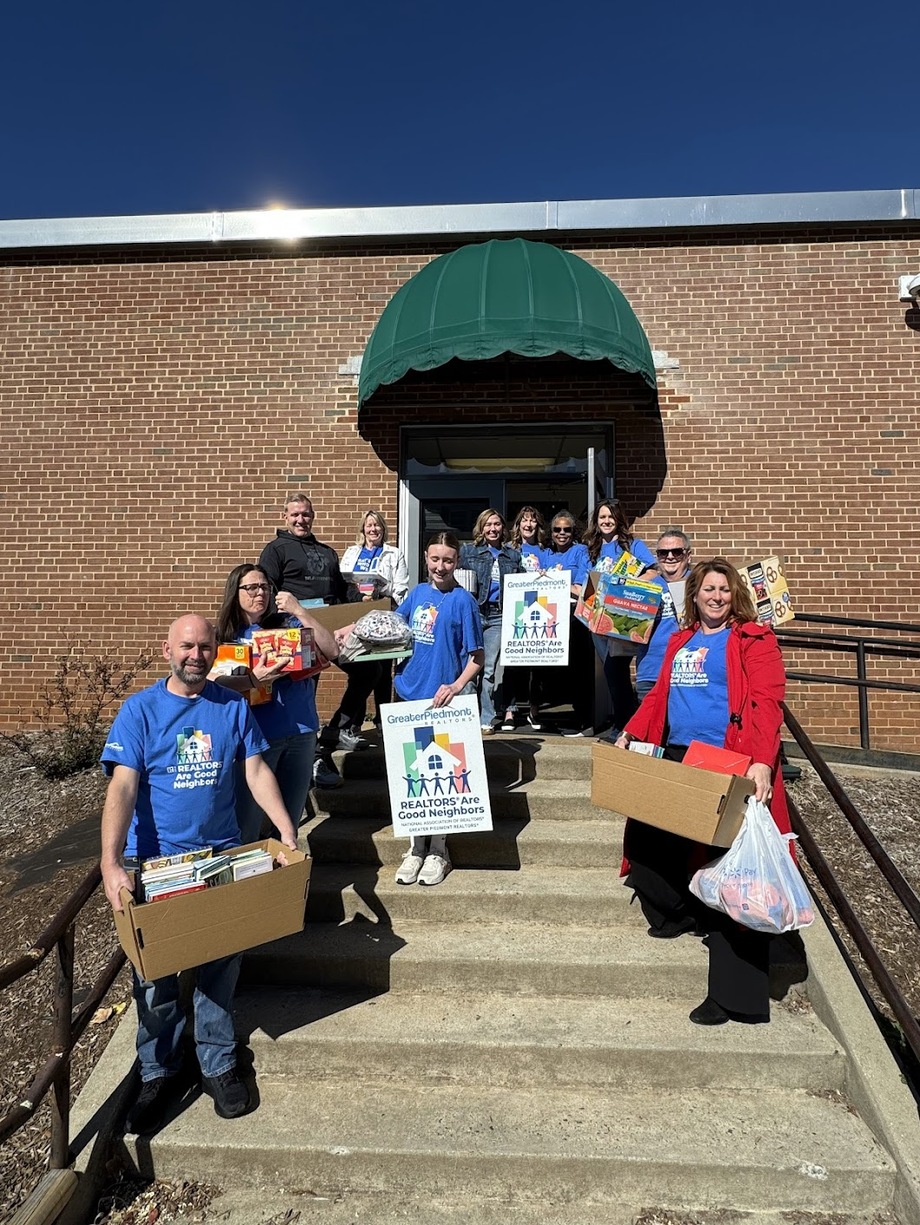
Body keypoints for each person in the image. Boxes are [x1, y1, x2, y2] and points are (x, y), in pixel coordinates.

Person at [100, 615, 298, 1134]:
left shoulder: (231, 706)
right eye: (186, 645)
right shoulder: (139, 711)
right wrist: (111, 861)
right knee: (156, 978)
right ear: (166, 648)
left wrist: (286, 830)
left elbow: (256, 770)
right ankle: (158, 1070)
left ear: (216, 651)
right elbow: (122, 787)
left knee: (219, 969)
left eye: (205, 646)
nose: (195, 654)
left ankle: (217, 1061)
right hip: (157, 866)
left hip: (221, 859)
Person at [614, 558, 790, 1026]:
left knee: (736, 874)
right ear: (693, 595)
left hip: (729, 765)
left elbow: (767, 703)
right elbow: (657, 698)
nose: (716, 597)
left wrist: (760, 761)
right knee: (651, 848)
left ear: (736, 596)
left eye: (724, 590)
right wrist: (631, 732)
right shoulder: (681, 640)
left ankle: (736, 997)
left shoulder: (753, 639)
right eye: (707, 589)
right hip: (676, 758)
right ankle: (680, 913)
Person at [215, 564, 340, 841]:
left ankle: (285, 877)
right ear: (235, 593)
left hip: (300, 732)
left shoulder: (289, 625)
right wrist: (253, 679)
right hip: (255, 740)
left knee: (288, 823)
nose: (259, 593)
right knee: (247, 823)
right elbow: (214, 687)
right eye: (251, 587)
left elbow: (332, 650)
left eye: (264, 587)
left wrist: (299, 610)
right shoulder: (226, 637)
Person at [391, 531, 484, 886]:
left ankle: (438, 850)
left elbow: (477, 657)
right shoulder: (416, 594)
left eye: (447, 560)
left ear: (457, 562)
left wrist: (456, 686)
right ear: (425, 559)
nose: (440, 566)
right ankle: (416, 848)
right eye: (434, 559)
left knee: (440, 779)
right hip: (409, 694)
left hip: (442, 698)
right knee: (413, 777)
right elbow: (393, 630)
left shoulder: (464, 602)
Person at [258, 493, 363, 788]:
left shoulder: (327, 552)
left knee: (369, 670)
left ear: (313, 516)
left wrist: (367, 597)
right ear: (285, 517)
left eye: (305, 514)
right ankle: (313, 757)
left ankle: (336, 729)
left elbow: (343, 591)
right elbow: (267, 591)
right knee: (307, 692)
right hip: (295, 632)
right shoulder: (275, 550)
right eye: (295, 515)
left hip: (329, 629)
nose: (300, 520)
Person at [584, 500, 657, 736]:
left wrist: (626, 586)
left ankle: (624, 725)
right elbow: (583, 583)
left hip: (623, 618)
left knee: (616, 670)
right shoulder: (590, 548)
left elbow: (653, 571)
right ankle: (627, 723)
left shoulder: (632, 545)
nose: (606, 521)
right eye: (602, 517)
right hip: (596, 619)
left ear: (619, 520)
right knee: (610, 672)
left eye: (611, 517)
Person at [339, 509, 410, 727]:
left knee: (382, 671)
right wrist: (360, 594)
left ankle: (382, 720)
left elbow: (402, 588)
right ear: (363, 529)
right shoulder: (352, 552)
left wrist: (380, 590)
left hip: (382, 616)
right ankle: (355, 721)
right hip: (356, 615)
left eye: (377, 525)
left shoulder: (393, 553)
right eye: (369, 525)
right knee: (357, 668)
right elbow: (343, 581)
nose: (373, 529)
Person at [459, 509, 522, 735]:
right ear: (481, 528)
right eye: (488, 524)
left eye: (496, 524)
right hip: (474, 613)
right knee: (469, 667)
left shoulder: (513, 555)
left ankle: (486, 718)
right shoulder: (468, 551)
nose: (492, 529)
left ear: (503, 528)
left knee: (488, 669)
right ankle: (467, 717)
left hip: (499, 615)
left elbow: (522, 584)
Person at [541, 510, 593, 736]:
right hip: (550, 618)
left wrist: (553, 582)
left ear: (574, 532)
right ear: (551, 533)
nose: (562, 533)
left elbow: (582, 588)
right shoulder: (546, 555)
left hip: (575, 617)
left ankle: (584, 720)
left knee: (580, 670)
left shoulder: (581, 552)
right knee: (556, 672)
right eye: (557, 530)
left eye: (567, 530)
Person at [634, 529, 693, 702]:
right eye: (663, 552)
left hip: (688, 674)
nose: (670, 556)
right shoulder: (644, 588)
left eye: (677, 552)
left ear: (688, 555)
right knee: (651, 729)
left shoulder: (700, 584)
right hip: (650, 672)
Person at [506, 506, 548, 729]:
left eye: (532, 521)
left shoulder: (546, 551)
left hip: (539, 613)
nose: (528, 525)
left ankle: (534, 711)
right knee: (512, 666)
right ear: (518, 524)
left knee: (537, 668)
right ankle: (510, 713)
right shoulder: (509, 549)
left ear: (538, 525)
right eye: (524, 520)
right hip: (515, 612)